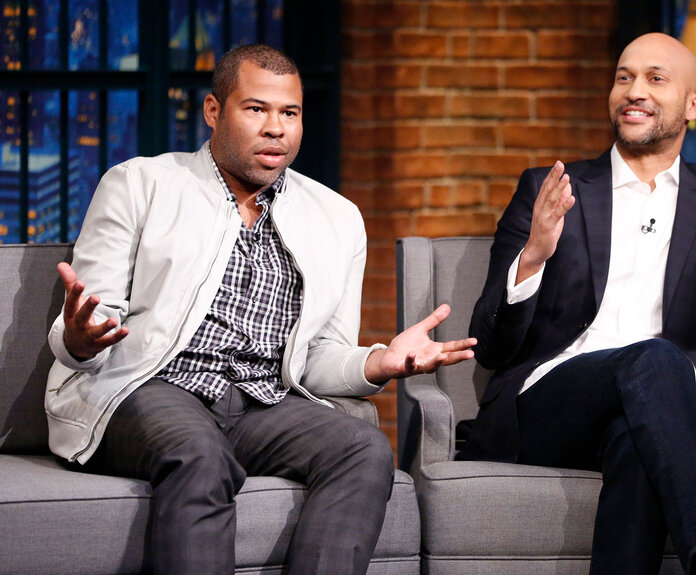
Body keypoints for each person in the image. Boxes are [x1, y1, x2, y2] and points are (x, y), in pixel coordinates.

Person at [45, 44, 475, 575]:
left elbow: (318, 357)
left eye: (289, 113)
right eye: (256, 109)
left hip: (262, 404)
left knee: (363, 447)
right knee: (200, 455)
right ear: (213, 111)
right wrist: (81, 337)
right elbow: (85, 327)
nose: (276, 128)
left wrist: (376, 362)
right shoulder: (140, 185)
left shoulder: (337, 218)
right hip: (149, 389)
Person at [457, 33, 696, 575]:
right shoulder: (550, 188)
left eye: (655, 78)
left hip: (653, 404)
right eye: (624, 77)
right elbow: (490, 344)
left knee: (635, 432)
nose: (634, 91)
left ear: (694, 104)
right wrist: (531, 257)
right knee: (651, 358)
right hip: (547, 402)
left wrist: (670, 379)